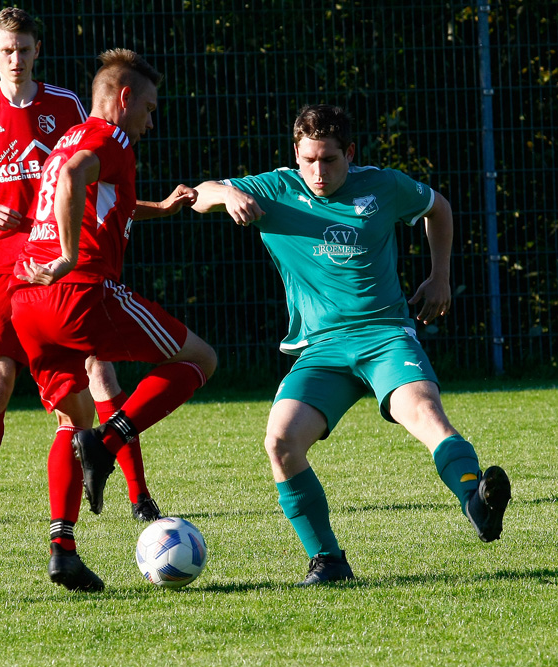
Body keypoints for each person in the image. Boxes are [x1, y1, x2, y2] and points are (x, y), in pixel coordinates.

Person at [192, 104, 511, 585]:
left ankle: (476, 500)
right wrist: (228, 194)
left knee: (426, 415)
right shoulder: (276, 186)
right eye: (309, 160)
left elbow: (438, 208)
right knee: (280, 441)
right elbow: (198, 195)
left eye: (330, 160)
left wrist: (440, 275)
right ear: (295, 156)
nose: (319, 172)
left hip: (385, 335)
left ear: (350, 154)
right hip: (320, 348)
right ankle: (328, 562)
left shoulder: (383, 186)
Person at [0, 7, 162, 526]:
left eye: (25, 48)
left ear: (38, 50)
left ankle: (139, 495)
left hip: (58, 255)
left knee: (99, 370)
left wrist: (151, 208)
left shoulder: (66, 105)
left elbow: (93, 179)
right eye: (6, 49)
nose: (16, 58)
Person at [11, 48, 217, 592]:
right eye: (149, 108)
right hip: (79, 293)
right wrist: (70, 256)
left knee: (71, 420)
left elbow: (90, 192)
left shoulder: (67, 140)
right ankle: (109, 443)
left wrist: (159, 209)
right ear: (124, 99)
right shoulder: (111, 138)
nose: (151, 122)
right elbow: (82, 177)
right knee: (200, 358)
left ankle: (63, 551)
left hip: (27, 301)